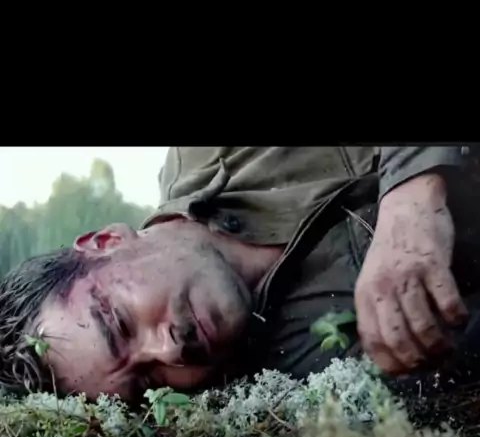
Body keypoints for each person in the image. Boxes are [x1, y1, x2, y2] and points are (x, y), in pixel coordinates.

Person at [2, 145, 480, 402]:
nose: (171, 350)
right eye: (147, 381)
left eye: (120, 323)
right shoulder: (297, 391)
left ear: (105, 242)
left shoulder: (209, 153)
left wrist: (413, 195)